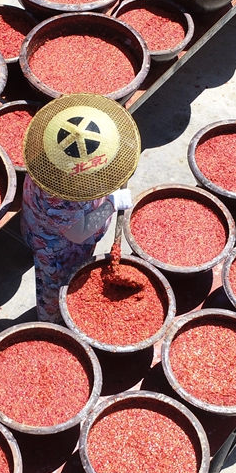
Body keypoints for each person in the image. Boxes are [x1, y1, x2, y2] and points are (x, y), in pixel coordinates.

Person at [19, 94, 140, 323]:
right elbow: (77, 233)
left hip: (36, 222)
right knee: (53, 286)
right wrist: (111, 205)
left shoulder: (46, 154)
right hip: (57, 249)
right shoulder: (62, 200)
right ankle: (49, 320)